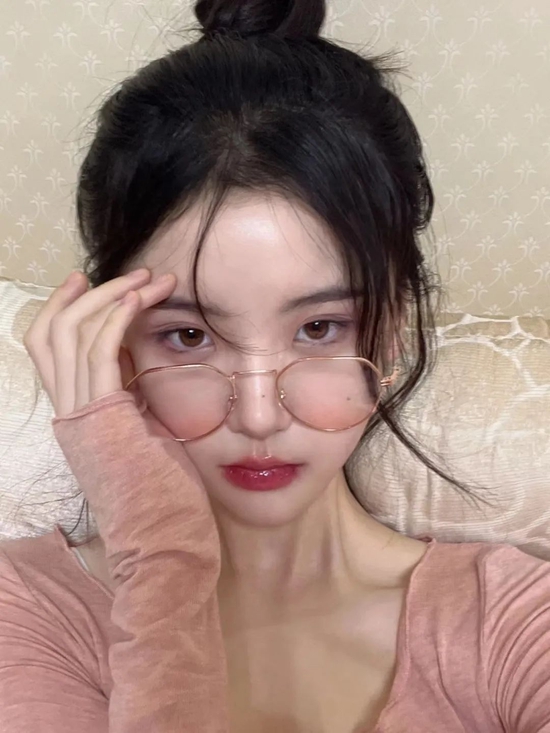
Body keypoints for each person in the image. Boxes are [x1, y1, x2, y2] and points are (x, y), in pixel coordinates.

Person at [0, 0, 549, 730]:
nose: (259, 415)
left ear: (390, 330)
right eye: (188, 336)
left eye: (320, 328)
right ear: (114, 343)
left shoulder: (513, 623)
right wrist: (159, 545)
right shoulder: (24, 611)